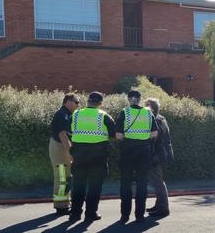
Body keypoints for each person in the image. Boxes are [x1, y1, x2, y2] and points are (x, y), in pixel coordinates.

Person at [69, 92, 115, 223]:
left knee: (78, 185)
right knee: (95, 186)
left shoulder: (76, 114)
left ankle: (75, 214)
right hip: (98, 157)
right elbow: (114, 134)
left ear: (88, 101)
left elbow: (69, 130)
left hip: (79, 155)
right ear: (100, 103)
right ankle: (90, 214)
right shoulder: (104, 116)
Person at [116, 90, 158, 224]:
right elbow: (154, 133)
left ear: (128, 99)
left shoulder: (124, 112)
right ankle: (139, 216)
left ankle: (124, 215)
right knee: (142, 183)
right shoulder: (148, 112)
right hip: (144, 151)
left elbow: (118, 135)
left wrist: (128, 140)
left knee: (125, 183)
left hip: (128, 151)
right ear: (140, 99)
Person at [49, 94, 79, 215]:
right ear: (68, 102)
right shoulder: (62, 114)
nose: (77, 105)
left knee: (66, 176)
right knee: (62, 177)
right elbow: (63, 135)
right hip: (60, 147)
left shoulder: (67, 114)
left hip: (61, 146)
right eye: (76, 102)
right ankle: (61, 207)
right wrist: (70, 152)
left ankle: (64, 203)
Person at [145, 98, 174, 217]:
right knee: (158, 180)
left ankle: (163, 208)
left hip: (156, 154)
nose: (144, 107)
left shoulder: (155, 120)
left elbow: (156, 139)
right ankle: (159, 205)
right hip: (161, 153)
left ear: (151, 107)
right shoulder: (161, 118)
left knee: (158, 181)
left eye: (146, 105)